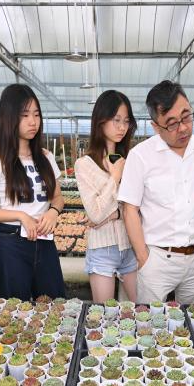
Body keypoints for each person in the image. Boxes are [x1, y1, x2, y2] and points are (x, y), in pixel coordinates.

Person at [118, 80, 194, 304]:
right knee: (150, 319)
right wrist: (143, 258)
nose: (183, 128)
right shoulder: (141, 156)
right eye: (172, 124)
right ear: (156, 127)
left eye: (186, 117)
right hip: (157, 259)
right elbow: (130, 210)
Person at [0, 84, 65, 300]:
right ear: (8, 117)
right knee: (15, 307)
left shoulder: (46, 157)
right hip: (11, 243)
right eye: (24, 115)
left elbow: (58, 198)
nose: (33, 121)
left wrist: (53, 212)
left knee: (54, 304)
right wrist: (21, 215)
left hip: (44, 240)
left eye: (36, 114)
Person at [75, 90, 138, 303]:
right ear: (101, 120)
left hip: (131, 245)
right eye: (116, 120)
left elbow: (138, 206)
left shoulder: (130, 161)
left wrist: (113, 215)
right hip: (102, 249)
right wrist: (115, 177)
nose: (122, 127)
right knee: (104, 314)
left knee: (141, 310)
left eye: (126, 121)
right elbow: (94, 213)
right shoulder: (84, 165)